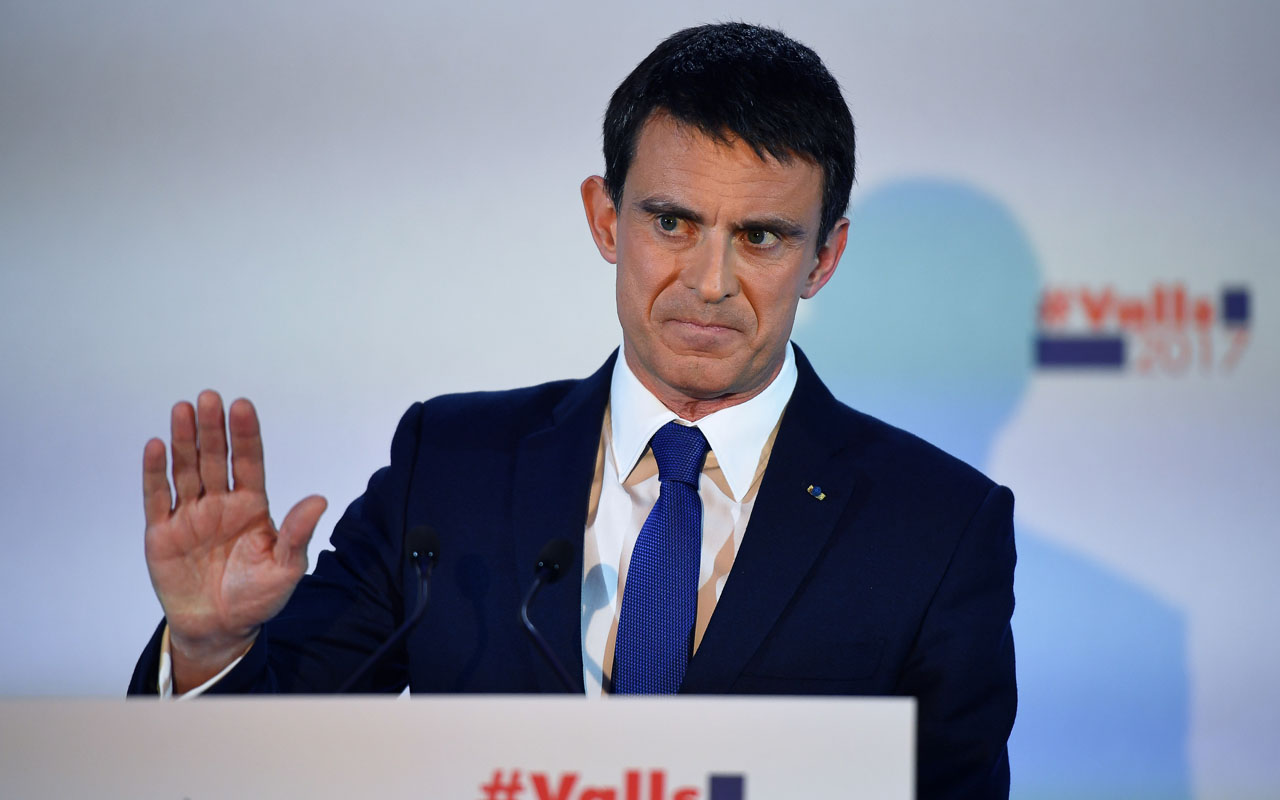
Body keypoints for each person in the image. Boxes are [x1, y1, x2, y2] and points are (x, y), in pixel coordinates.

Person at [129, 22, 1016, 799]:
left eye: (761, 237)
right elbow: (260, 766)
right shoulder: (450, 466)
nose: (710, 284)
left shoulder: (936, 529)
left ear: (824, 258)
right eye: (672, 223)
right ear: (605, 220)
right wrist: (208, 652)